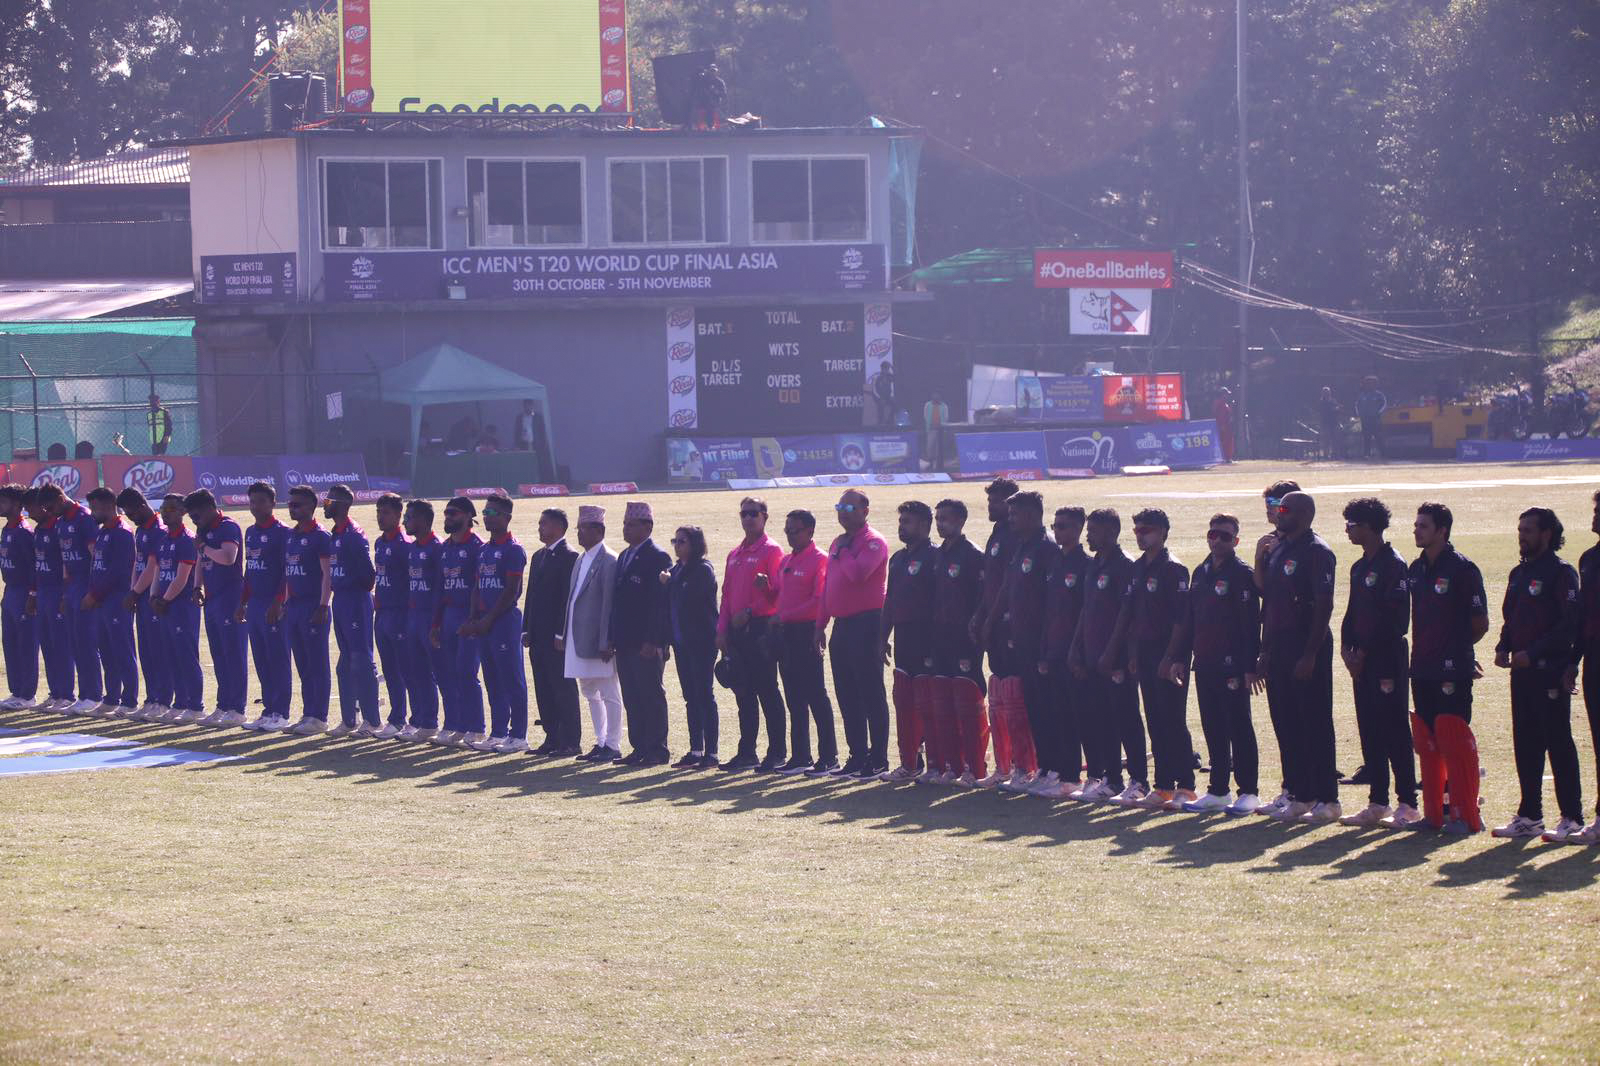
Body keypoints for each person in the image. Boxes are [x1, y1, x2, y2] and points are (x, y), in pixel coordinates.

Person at [1492, 507, 1585, 842]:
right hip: (1522, 674)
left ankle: (1572, 817)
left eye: (1528, 530)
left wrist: (1534, 653)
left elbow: (1568, 626)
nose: (1522, 536)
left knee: (1558, 742)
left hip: (1549, 672)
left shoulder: (1561, 573)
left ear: (1547, 533)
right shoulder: (1519, 573)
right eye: (1520, 530)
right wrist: (1504, 646)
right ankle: (1530, 814)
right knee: (1526, 742)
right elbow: (1511, 618)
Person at [1258, 491, 1341, 824]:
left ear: (1305, 513)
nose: (1278, 513)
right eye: (1278, 509)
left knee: (1315, 721)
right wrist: (1264, 650)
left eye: (1285, 509)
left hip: (1306, 645)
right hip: (1278, 646)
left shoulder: (1317, 552)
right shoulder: (1280, 550)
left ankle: (1328, 798)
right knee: (1286, 721)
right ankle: (1299, 793)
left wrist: (1310, 654)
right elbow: (1271, 605)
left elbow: (1324, 606)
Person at [1171, 514, 1261, 814]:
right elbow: (1189, 620)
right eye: (1213, 534)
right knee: (1213, 727)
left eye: (1224, 536)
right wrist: (1180, 658)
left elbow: (1250, 625)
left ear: (1236, 541)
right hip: (1205, 663)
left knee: (1239, 727)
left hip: (1233, 664)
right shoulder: (1202, 571)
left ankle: (1248, 790)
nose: (1217, 540)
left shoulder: (1241, 574)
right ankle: (1219, 790)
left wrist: (1250, 666)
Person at [1408, 501, 1490, 832]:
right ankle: (1436, 813)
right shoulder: (1415, 569)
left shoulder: (1462, 569)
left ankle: (1467, 815)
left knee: (1454, 740)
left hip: (1451, 670)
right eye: (1416, 524)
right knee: (1429, 744)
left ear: (1442, 531)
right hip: (1422, 668)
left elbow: (1479, 623)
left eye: (1423, 525)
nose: (1416, 530)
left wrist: (1457, 652)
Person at [1338, 497, 1419, 827]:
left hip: (1386, 659)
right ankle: (1378, 801)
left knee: (1394, 728)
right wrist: (1346, 650)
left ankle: (1407, 803)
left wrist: (1365, 654)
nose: (1347, 530)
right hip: (1361, 663)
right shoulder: (1359, 567)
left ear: (1370, 527)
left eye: (1352, 524)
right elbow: (1352, 613)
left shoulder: (1393, 564)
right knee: (1369, 727)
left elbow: (1395, 622)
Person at [1121, 508, 1197, 810]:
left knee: (1173, 719)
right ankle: (1163, 785)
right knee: (1154, 719)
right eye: (1138, 529)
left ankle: (1186, 785)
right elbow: (1133, 616)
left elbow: (1181, 620)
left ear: (1164, 532)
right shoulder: (1138, 568)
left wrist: (1171, 657)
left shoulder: (1173, 569)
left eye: (1148, 529)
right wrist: (1133, 655)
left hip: (1171, 655)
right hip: (1146, 653)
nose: (1141, 534)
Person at [1068, 508, 1143, 804]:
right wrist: (1076, 647)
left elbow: (1126, 616)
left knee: (1126, 719)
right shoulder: (1094, 564)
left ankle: (1139, 780)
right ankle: (1112, 779)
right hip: (1093, 655)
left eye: (1094, 531)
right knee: (1102, 720)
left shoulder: (1124, 566)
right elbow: (1086, 610)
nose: (1088, 535)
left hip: (1116, 660)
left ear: (1112, 533)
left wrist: (1112, 654)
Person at [818, 490, 891, 778]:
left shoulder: (873, 542)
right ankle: (857, 755)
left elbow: (858, 574)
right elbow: (829, 586)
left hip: (868, 623)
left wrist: (846, 551)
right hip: (842, 625)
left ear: (865, 511)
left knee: (871, 692)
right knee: (846, 693)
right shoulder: (838, 542)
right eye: (840, 506)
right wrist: (819, 625)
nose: (843, 511)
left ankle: (879, 758)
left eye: (849, 507)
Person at [994, 491, 1057, 794]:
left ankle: (1057, 770)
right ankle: (1042, 768)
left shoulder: (1046, 550)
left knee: (1048, 706)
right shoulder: (1021, 547)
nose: (1011, 520)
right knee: (1033, 706)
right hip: (1022, 641)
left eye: (1015, 514)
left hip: (1041, 643)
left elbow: (1051, 604)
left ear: (1032, 515)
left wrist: (1045, 646)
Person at [717, 497, 785, 772]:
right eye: (744, 513)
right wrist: (722, 630)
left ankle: (777, 752)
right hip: (736, 631)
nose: (748, 518)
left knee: (767, 691)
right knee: (742, 692)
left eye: (753, 513)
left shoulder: (772, 550)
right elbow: (725, 595)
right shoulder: (734, 554)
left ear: (765, 517)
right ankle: (747, 752)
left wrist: (750, 610)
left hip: (761, 629)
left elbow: (779, 593)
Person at [463, 494, 528, 753]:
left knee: (512, 678)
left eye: (493, 513)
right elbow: (477, 586)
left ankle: (519, 735)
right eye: (485, 512)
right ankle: (498, 731)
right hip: (484, 623)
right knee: (491, 677)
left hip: (504, 621)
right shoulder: (483, 550)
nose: (487, 517)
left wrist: (489, 619)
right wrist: (473, 617)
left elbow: (512, 590)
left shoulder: (513, 550)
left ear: (507, 517)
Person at [608, 501, 671, 766]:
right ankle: (639, 747)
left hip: (646, 641)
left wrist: (655, 640)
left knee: (650, 694)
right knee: (632, 695)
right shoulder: (624, 556)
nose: (626, 529)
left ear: (648, 526)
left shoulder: (658, 557)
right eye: (624, 524)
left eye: (631, 524)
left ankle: (657, 749)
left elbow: (660, 603)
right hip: (624, 640)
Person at [773, 509, 836, 776]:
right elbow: (781, 594)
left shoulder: (819, 559)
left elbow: (818, 600)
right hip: (786, 634)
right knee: (794, 697)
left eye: (794, 530)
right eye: (787, 530)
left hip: (807, 631)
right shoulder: (787, 560)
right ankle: (801, 755)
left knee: (816, 695)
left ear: (810, 531)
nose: (789, 535)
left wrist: (785, 615)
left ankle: (829, 757)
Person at [881, 500, 940, 783]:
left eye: (908, 521)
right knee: (904, 703)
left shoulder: (936, 557)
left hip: (928, 639)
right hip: (903, 639)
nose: (902, 526)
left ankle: (937, 763)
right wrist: (882, 637)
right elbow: (889, 601)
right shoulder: (897, 559)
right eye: (901, 520)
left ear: (925, 526)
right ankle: (910, 763)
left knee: (929, 702)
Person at [931, 498, 987, 785]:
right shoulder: (938, 554)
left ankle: (975, 767)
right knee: (944, 704)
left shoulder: (972, 555)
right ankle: (952, 766)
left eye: (946, 518)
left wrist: (974, 631)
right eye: (938, 518)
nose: (941, 523)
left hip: (965, 640)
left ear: (961, 521)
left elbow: (981, 599)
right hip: (940, 639)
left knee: (968, 704)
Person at [969, 477, 1020, 782]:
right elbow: (990, 584)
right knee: (1000, 696)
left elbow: (1010, 587)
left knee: (1015, 697)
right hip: (994, 626)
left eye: (997, 501)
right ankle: (1004, 765)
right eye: (990, 500)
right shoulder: (997, 534)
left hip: (1010, 626)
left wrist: (992, 618)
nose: (991, 506)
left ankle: (1023, 764)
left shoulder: (1017, 536)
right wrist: (980, 614)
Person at [563, 505, 622, 763]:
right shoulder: (581, 558)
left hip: (598, 640)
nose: (578, 534)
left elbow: (609, 603)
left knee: (609, 691)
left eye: (583, 529)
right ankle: (600, 741)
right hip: (578, 638)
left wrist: (606, 639)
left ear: (598, 530)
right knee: (588, 690)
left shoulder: (609, 559)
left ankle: (613, 743)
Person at [184, 489, 248, 727]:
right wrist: (196, 585)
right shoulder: (205, 530)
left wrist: (203, 548)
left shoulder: (228, 527)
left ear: (209, 508)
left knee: (233, 653)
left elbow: (228, 557)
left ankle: (237, 708)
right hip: (211, 597)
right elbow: (201, 559)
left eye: (196, 514)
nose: (193, 519)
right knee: (219, 654)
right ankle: (223, 705)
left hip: (230, 596)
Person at [324, 485, 381, 737]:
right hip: (341, 601)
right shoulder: (335, 534)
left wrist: (349, 588)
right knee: (345, 663)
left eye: (328, 501)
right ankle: (349, 721)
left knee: (360, 660)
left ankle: (371, 721)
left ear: (343, 504)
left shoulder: (354, 535)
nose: (324, 505)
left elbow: (369, 576)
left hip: (356, 601)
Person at [522, 508, 581, 756]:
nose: (539, 528)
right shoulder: (539, 556)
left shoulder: (570, 557)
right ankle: (551, 736)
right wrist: (525, 628)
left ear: (559, 527)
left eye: (544, 524)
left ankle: (570, 740)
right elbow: (531, 596)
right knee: (543, 686)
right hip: (537, 634)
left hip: (556, 637)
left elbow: (567, 600)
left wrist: (561, 632)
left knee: (562, 687)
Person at [1040, 508, 1089, 797]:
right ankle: (1061, 773)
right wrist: (1045, 651)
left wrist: (1077, 651)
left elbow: (1086, 613)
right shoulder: (1055, 561)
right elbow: (1048, 611)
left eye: (1065, 527)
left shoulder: (1085, 564)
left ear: (1079, 529)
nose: (1058, 532)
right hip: (1053, 650)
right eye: (1055, 526)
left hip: (1076, 654)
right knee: (1056, 713)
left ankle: (1074, 776)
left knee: (1077, 716)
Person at [236, 482, 292, 732]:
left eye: (260, 501)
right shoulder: (250, 532)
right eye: (252, 502)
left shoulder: (283, 533)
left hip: (273, 604)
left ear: (272, 503)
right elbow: (250, 569)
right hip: (255, 604)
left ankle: (281, 712)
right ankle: (268, 709)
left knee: (277, 658)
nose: (255, 506)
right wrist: (242, 602)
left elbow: (286, 573)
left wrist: (279, 602)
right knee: (261, 659)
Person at [45, 484, 103, 714]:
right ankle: (84, 694)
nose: (49, 512)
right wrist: (64, 591)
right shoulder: (60, 523)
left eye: (51, 506)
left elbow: (95, 556)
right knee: (76, 642)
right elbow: (65, 561)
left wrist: (93, 591)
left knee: (87, 643)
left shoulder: (84, 519)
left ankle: (94, 695)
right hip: (71, 589)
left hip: (86, 586)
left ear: (61, 499)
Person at [431, 497, 485, 747]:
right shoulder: (444, 548)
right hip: (449, 615)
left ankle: (476, 728)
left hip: (468, 615)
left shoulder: (477, 547)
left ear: (467, 517)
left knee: (466, 671)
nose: (448, 518)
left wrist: (474, 619)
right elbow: (440, 589)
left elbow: (479, 587)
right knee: (449, 673)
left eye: (453, 514)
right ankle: (457, 725)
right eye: (446, 513)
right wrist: (436, 624)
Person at [665, 526, 720, 768]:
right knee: (690, 697)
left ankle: (712, 752)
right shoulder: (677, 569)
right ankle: (696, 749)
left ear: (695, 544)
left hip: (701, 642)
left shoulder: (702, 569)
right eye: (675, 541)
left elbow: (692, 597)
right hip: (681, 642)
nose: (677, 545)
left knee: (704, 694)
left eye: (682, 541)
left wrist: (669, 583)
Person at [282, 485, 334, 734]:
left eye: (298, 505)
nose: (292, 508)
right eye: (290, 504)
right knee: (302, 663)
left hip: (314, 606)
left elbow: (327, 575)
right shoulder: (291, 536)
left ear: (312, 507)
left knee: (317, 663)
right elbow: (288, 574)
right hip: (294, 607)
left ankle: (319, 716)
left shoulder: (321, 536)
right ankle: (307, 713)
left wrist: (323, 605)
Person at [83, 487, 136, 715]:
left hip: (116, 599)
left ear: (107, 507)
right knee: (106, 650)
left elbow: (119, 571)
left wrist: (95, 594)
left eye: (94, 508)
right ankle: (112, 697)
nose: (92, 512)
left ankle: (130, 700)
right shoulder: (104, 531)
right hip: (102, 601)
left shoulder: (122, 533)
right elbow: (99, 567)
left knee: (122, 649)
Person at [150, 493, 203, 723]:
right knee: (170, 654)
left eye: (171, 508)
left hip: (181, 606)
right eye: (163, 507)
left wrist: (165, 599)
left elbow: (182, 577)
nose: (166, 512)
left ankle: (195, 705)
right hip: (164, 604)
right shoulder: (162, 539)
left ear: (183, 512)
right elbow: (158, 571)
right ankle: (179, 702)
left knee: (186, 655)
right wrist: (153, 596)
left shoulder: (186, 540)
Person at [399, 499, 445, 741]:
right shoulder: (413, 548)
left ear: (424, 521)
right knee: (415, 671)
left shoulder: (436, 548)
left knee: (435, 672)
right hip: (413, 616)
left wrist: (436, 622)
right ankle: (420, 721)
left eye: (410, 517)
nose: (405, 521)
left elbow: (440, 589)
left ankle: (434, 723)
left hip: (429, 617)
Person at [27, 488, 74, 712]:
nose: (32, 512)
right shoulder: (38, 529)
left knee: (61, 644)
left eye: (33, 507)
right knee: (47, 644)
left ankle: (67, 694)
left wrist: (65, 593)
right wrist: (34, 594)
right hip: (43, 592)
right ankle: (55, 692)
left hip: (57, 591)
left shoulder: (59, 527)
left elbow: (67, 563)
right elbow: (38, 564)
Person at [370, 493, 412, 739]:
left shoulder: (404, 545)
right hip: (382, 613)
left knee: (405, 669)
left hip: (400, 614)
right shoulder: (379, 542)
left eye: (385, 513)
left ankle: (407, 719)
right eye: (378, 512)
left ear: (398, 515)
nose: (380, 517)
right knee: (389, 668)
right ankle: (397, 719)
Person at [1572, 492, 1600, 844]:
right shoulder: (1589, 560)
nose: (1594, 517)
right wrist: (1573, 660)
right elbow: (1582, 618)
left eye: (1598, 511)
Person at [0, 484, 39, 710]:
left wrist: (32, 595)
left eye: (3, 501)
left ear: (17, 505)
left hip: (24, 592)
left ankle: (27, 694)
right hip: (10, 591)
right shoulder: (7, 529)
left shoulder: (25, 532)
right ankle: (16, 691)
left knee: (26, 643)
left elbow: (34, 567)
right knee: (11, 643)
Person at [1355, 376, 1387, 458]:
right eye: (1367, 383)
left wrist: (1379, 413)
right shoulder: (1362, 395)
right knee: (1366, 437)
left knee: (1378, 436)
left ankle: (1383, 453)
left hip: (1375, 419)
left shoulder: (1379, 395)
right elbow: (1357, 405)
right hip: (1365, 419)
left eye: (1372, 383)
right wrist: (1359, 414)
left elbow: (1384, 404)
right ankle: (1367, 454)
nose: (1369, 385)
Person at [689, 62, 727, 130]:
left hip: (714, 102)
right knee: (693, 106)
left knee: (710, 108)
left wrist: (715, 91)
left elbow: (723, 94)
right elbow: (694, 80)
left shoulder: (719, 82)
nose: (712, 73)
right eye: (711, 71)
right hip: (702, 101)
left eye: (714, 71)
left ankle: (710, 126)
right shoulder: (702, 80)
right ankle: (694, 127)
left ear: (716, 72)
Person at [922, 391, 950, 471]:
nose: (936, 396)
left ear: (940, 396)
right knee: (930, 447)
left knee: (939, 448)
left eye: (937, 395)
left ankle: (938, 465)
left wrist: (941, 425)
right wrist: (930, 424)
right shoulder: (928, 405)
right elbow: (925, 416)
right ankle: (930, 464)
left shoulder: (944, 406)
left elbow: (946, 417)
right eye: (934, 395)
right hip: (931, 429)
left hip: (941, 430)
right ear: (932, 396)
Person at [1317, 387, 1342, 459]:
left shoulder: (1333, 400)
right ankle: (1326, 455)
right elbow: (1324, 411)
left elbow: (1337, 409)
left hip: (1334, 423)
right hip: (1325, 423)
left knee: (1335, 440)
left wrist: (1337, 409)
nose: (1327, 394)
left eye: (1328, 392)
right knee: (1326, 440)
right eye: (1325, 392)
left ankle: (1334, 455)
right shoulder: (1321, 402)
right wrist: (1334, 409)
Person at [1213, 387, 1236, 463]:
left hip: (1226, 426)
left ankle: (1227, 457)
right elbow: (1221, 416)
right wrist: (1222, 425)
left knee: (1227, 441)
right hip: (1223, 426)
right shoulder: (1220, 403)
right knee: (1225, 442)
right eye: (1226, 394)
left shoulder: (1223, 403)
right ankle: (1226, 458)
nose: (1227, 396)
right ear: (1223, 395)